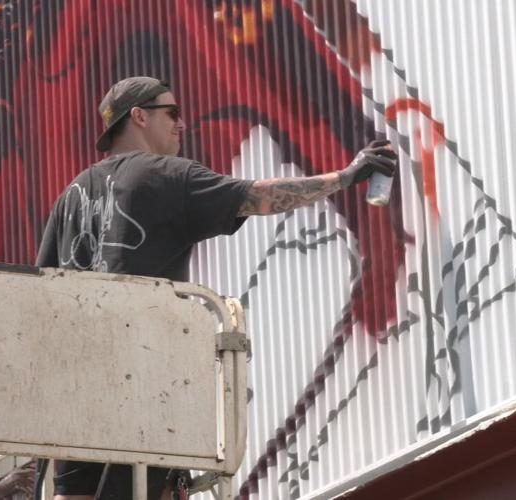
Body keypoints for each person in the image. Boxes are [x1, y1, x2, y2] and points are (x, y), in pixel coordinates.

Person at [35, 76, 396, 500]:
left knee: (74, 494)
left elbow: (41, 292)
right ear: (139, 116)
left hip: (80, 383)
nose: (181, 123)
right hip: (147, 373)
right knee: (158, 489)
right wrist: (345, 176)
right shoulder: (164, 175)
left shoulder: (70, 197)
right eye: (171, 112)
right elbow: (257, 197)